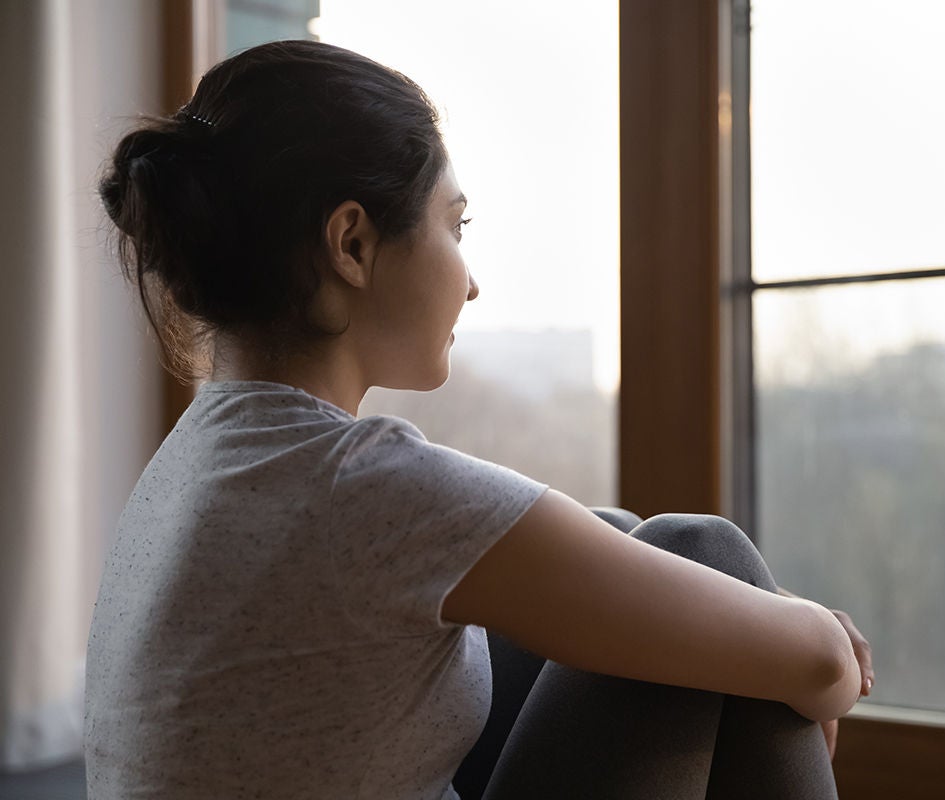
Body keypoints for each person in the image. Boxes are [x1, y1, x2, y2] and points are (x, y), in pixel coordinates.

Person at [84, 40, 874, 800]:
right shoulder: (364, 485)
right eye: (455, 227)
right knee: (702, 553)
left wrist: (767, 638)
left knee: (622, 547)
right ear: (351, 244)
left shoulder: (198, 460)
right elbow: (815, 668)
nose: (472, 284)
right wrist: (805, 640)